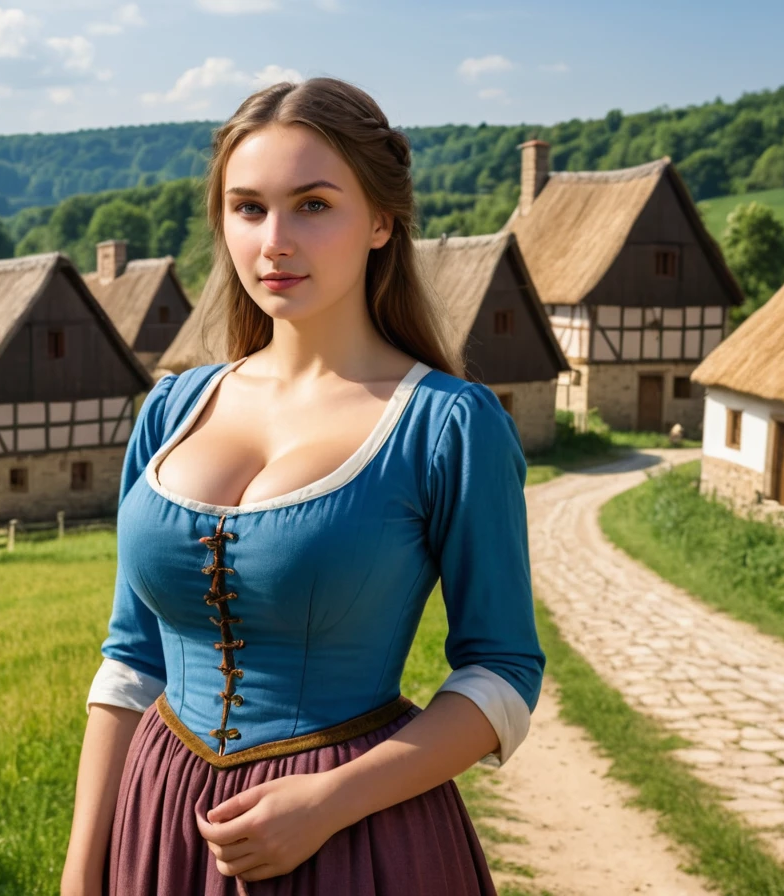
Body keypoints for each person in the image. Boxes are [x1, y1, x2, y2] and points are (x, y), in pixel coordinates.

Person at [61, 76, 545, 896]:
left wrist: (327, 802)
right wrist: (83, 874)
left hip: (359, 842)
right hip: (161, 823)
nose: (275, 240)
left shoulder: (448, 425)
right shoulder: (172, 408)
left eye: (313, 205)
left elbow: (501, 672)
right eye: (248, 207)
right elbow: (130, 662)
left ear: (382, 221)